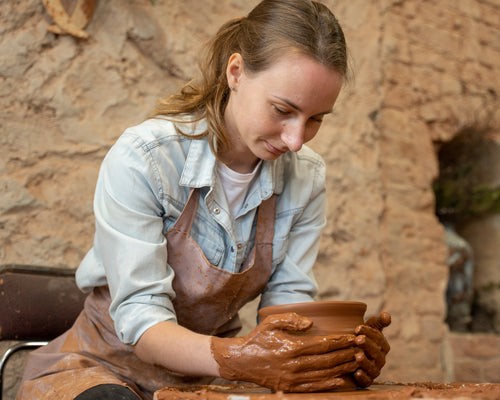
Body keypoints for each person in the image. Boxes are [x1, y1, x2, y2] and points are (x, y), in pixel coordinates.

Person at [17, 1, 390, 399]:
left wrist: (337, 356)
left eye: (316, 119)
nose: (296, 139)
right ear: (236, 72)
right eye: (283, 110)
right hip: (100, 368)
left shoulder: (306, 177)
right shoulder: (146, 158)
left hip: (206, 383)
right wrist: (238, 358)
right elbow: (142, 322)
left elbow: (288, 320)